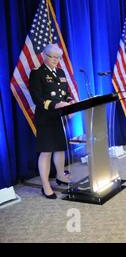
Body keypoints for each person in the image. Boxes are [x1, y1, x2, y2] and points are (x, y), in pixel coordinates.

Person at [28, 44, 73, 199]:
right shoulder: (37, 73)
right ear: (44, 56)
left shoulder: (60, 72)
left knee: (60, 148)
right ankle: (45, 185)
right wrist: (55, 105)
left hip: (59, 116)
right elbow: (37, 98)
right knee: (46, 151)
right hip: (45, 117)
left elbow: (65, 93)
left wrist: (69, 104)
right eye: (52, 57)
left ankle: (60, 175)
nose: (56, 60)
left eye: (58, 57)